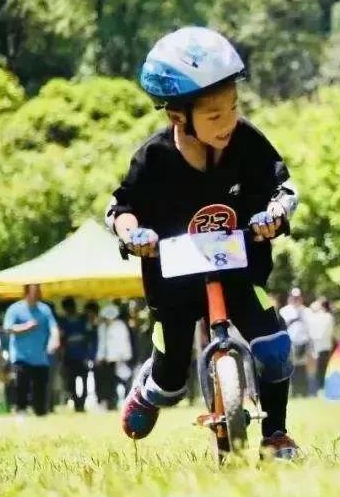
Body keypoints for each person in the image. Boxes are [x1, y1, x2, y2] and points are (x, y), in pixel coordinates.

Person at [105, 26, 300, 459]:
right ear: (178, 116)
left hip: (238, 270)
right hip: (173, 283)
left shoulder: (247, 141)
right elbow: (121, 209)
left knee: (275, 349)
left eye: (233, 107)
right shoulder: (153, 159)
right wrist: (133, 234)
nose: (228, 121)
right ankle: (153, 389)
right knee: (173, 380)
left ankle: (277, 433)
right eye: (214, 115)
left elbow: (283, 189)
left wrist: (276, 214)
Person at [3, 284, 59, 416]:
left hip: (40, 358)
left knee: (41, 390)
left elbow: (53, 328)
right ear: (26, 292)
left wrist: (54, 340)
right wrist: (25, 327)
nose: (37, 294)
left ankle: (40, 413)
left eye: (38, 291)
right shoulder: (15, 309)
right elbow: (8, 328)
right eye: (34, 291)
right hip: (21, 357)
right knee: (21, 387)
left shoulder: (45, 309)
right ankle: (21, 411)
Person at [57, 296, 95, 412]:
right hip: (69, 357)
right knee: (71, 382)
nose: (69, 309)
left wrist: (89, 354)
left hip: (81, 356)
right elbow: (61, 339)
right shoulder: (63, 322)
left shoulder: (83, 319)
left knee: (83, 381)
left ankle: (82, 403)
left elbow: (89, 336)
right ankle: (76, 403)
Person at [95, 303, 134, 408]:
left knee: (124, 380)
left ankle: (127, 401)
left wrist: (120, 358)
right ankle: (110, 403)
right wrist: (100, 357)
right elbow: (102, 343)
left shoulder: (120, 326)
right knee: (108, 383)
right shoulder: (102, 327)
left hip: (119, 359)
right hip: (106, 360)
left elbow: (123, 344)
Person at [280, 288, 314, 398]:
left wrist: (310, 343)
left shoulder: (307, 311)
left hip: (303, 342)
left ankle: (303, 391)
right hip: (290, 342)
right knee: (292, 367)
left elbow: (310, 328)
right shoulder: (284, 311)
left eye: (297, 298)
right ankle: (294, 392)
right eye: (294, 298)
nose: (296, 300)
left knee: (302, 367)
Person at [307, 297, 336, 394]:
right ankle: (319, 387)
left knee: (320, 368)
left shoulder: (325, 317)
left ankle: (320, 387)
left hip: (321, 346)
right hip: (320, 346)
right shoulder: (326, 316)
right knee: (320, 369)